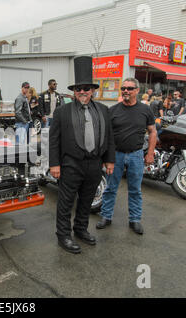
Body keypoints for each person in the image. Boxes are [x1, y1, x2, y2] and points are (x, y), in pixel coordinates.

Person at [49, 56, 115, 254]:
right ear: (74, 91)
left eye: (87, 88)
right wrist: (54, 164)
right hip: (71, 163)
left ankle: (80, 230)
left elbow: (110, 136)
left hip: (94, 164)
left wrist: (109, 159)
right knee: (66, 202)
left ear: (93, 90)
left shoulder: (103, 110)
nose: (83, 92)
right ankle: (63, 235)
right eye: (79, 89)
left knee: (87, 200)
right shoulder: (62, 111)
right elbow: (54, 140)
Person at [97, 78, 157, 235]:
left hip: (136, 155)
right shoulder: (113, 110)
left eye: (130, 88)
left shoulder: (145, 110)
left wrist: (150, 153)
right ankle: (106, 216)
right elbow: (105, 135)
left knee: (135, 190)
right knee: (110, 188)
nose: (126, 91)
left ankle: (135, 220)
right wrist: (105, 157)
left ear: (137, 90)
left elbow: (153, 132)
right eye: (123, 88)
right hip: (115, 155)